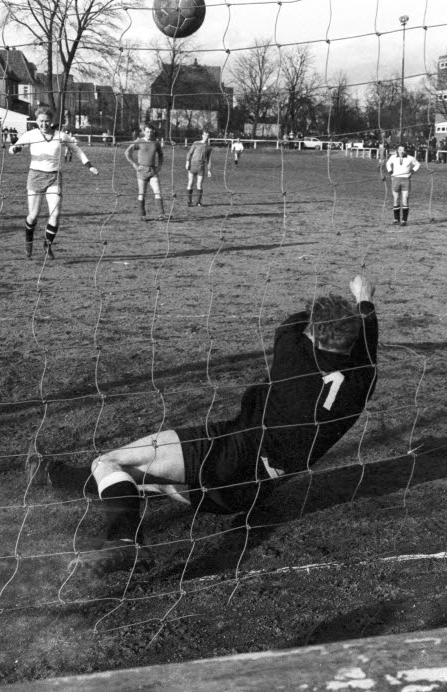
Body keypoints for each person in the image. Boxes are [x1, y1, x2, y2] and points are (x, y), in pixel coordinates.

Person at [29, 274, 380, 574]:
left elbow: (290, 323)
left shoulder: (293, 352)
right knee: (140, 480)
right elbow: (365, 340)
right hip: (249, 492)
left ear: (314, 333)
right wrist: (359, 311)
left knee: (111, 463)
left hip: (228, 452)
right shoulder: (364, 379)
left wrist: (360, 301)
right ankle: (53, 474)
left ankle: (124, 541)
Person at [8, 107, 98, 260]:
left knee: (55, 214)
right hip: (35, 175)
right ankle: (28, 241)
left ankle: (47, 245)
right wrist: (15, 149)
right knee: (33, 215)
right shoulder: (31, 135)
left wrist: (89, 165)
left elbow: (77, 150)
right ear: (36, 121)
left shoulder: (60, 136)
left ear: (52, 121)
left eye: (47, 121)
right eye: (41, 121)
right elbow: (12, 148)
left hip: (54, 177)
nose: (44, 124)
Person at [124, 122, 166, 220]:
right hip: (141, 171)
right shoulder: (139, 141)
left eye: (151, 132)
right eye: (147, 132)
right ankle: (142, 215)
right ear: (144, 132)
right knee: (142, 193)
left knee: (158, 191)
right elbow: (127, 152)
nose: (149, 134)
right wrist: (134, 164)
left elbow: (161, 154)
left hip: (153, 171)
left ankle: (161, 214)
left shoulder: (156, 143)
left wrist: (160, 165)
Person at [385, 144, 420, 226]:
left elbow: (418, 164)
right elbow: (388, 164)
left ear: (405, 150)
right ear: (397, 150)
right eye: (400, 150)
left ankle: (404, 220)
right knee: (396, 199)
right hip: (395, 180)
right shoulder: (393, 157)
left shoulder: (410, 158)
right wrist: (391, 173)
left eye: (403, 150)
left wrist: (412, 172)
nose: (402, 152)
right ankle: (396, 219)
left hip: (405, 180)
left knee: (405, 199)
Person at [184, 130, 212, 206]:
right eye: (205, 135)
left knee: (199, 184)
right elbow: (190, 153)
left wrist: (209, 170)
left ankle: (198, 202)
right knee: (190, 183)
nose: (206, 137)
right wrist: (187, 162)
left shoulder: (209, 147)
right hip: (192, 165)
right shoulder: (196, 143)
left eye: (208, 135)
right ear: (202, 135)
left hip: (201, 167)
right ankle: (189, 201)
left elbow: (209, 159)